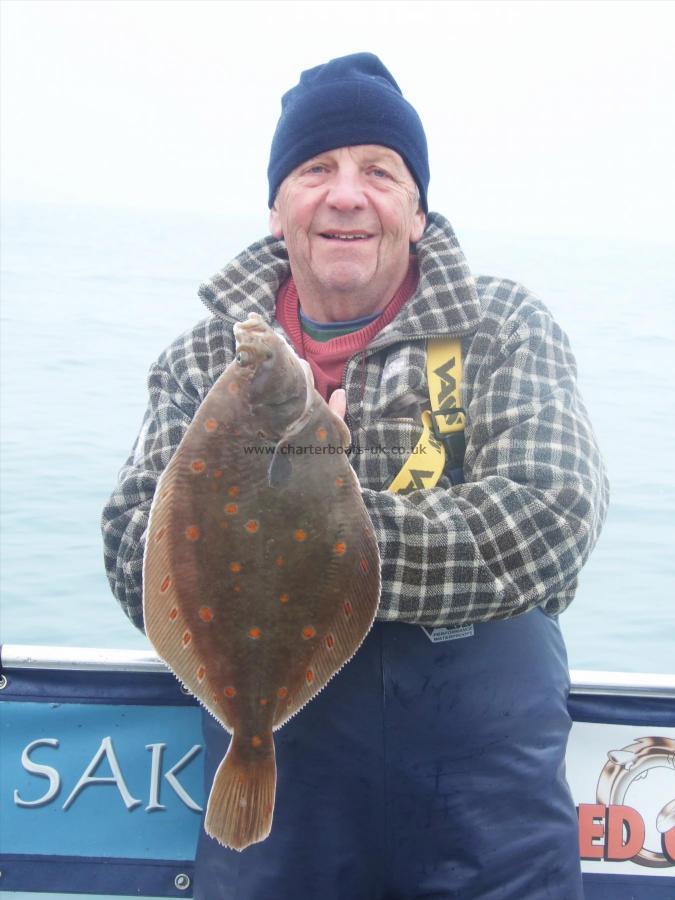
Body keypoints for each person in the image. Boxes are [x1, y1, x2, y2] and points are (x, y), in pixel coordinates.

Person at [102, 53, 609, 899]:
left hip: (487, 812)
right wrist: (283, 496)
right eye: (315, 169)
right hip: (282, 804)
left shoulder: (501, 327)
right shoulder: (202, 359)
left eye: (379, 171)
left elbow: (547, 524)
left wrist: (319, 504)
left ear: (415, 210)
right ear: (276, 208)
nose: (345, 194)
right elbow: (127, 544)